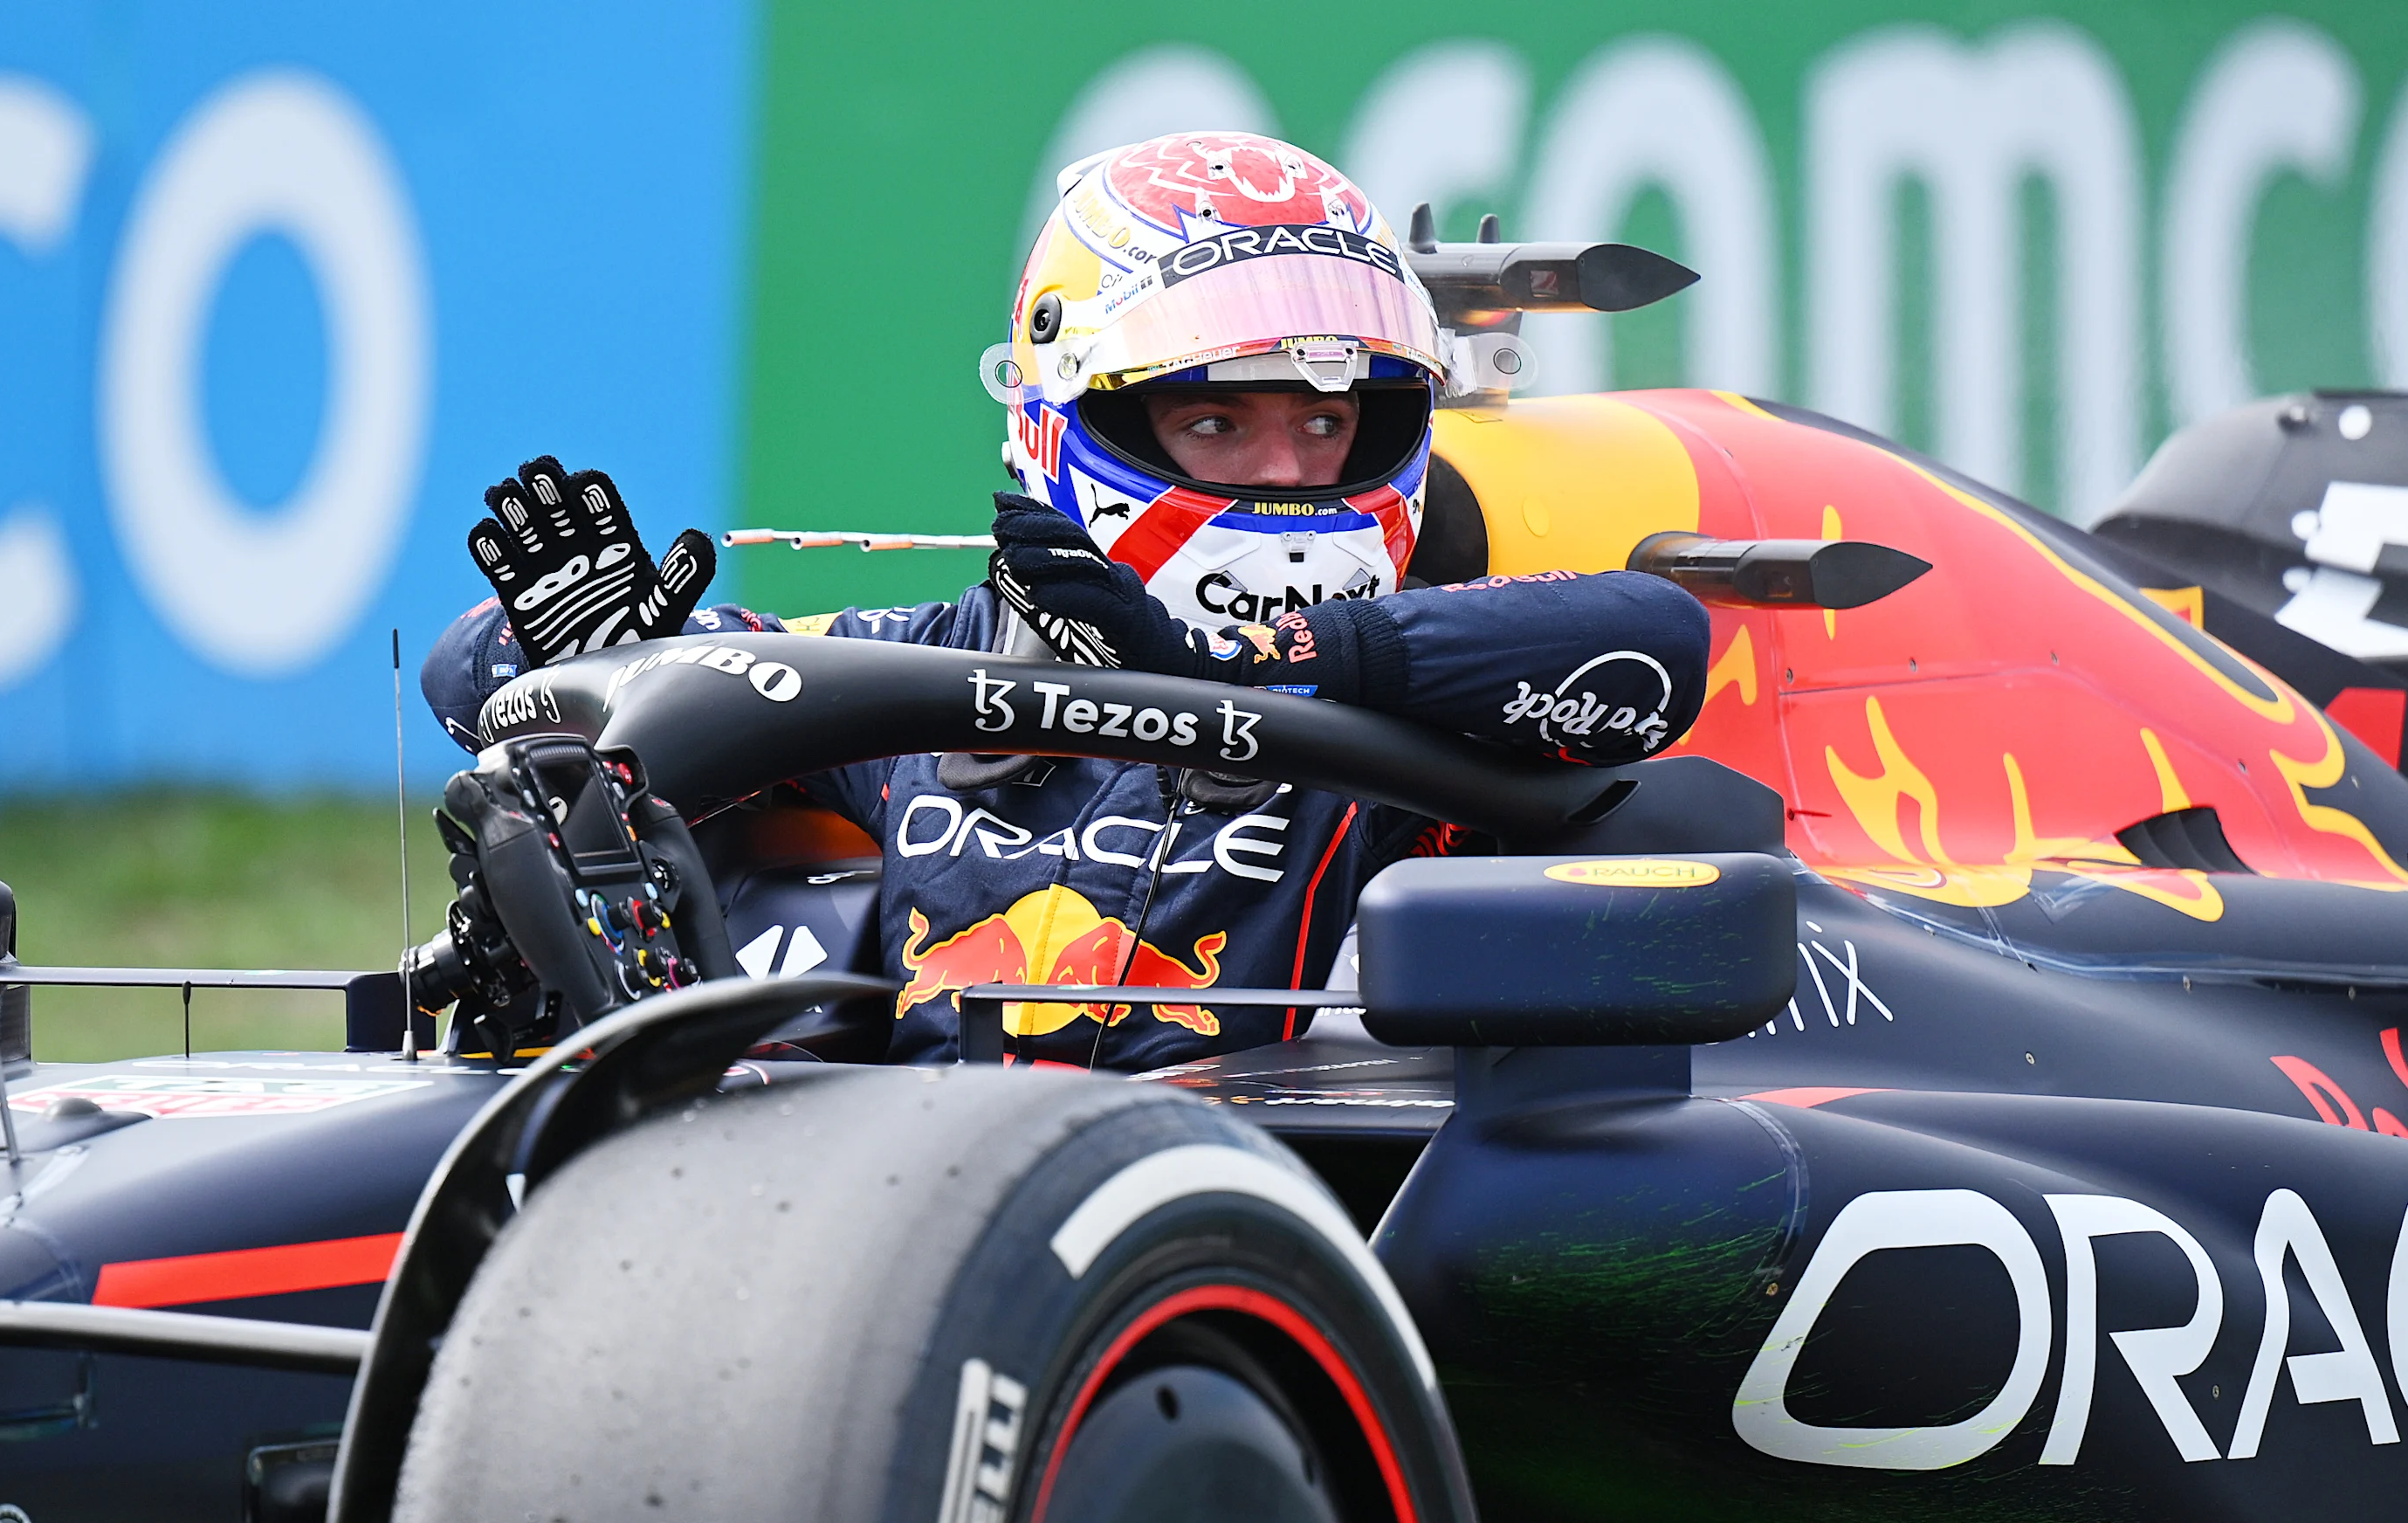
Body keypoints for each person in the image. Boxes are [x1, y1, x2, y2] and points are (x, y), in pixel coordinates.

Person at [423, 131, 1710, 1073]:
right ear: (1066, 423)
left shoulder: (1418, 695)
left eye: (1327, 424)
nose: (1288, 471)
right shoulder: (921, 663)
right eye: (1216, 419)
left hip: (1253, 1243)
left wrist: (1261, 671)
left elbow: (1657, 646)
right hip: (890, 1220)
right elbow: (475, 679)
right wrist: (594, 656)